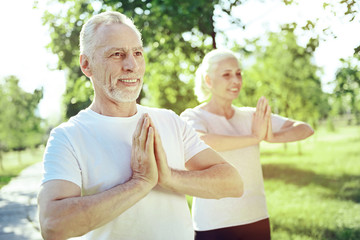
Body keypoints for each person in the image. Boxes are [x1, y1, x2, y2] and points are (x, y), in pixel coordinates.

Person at [37, 12, 244, 240]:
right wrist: (139, 184)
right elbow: (53, 225)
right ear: (87, 65)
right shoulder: (68, 137)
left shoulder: (169, 120)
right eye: (117, 54)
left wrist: (169, 177)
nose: (131, 65)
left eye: (137, 53)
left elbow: (232, 182)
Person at [180, 49, 314, 240]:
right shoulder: (193, 116)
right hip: (213, 223)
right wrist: (254, 137)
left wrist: (270, 137)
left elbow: (305, 129)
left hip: (256, 218)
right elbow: (202, 140)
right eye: (227, 75)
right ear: (208, 81)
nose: (235, 80)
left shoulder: (251, 116)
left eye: (238, 73)